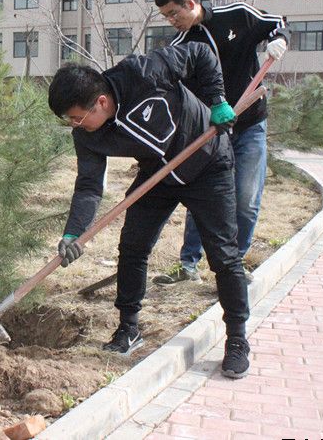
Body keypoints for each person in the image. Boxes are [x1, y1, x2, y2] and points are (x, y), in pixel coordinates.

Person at [50, 42, 251, 379]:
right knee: (133, 247)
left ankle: (237, 339)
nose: (75, 124)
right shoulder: (86, 136)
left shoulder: (143, 73)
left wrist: (217, 101)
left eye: (77, 117)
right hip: (157, 175)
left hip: (208, 162)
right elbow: (88, 186)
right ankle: (129, 327)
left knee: (223, 255)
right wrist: (74, 232)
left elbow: (200, 53)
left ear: (100, 102)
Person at [152, 0, 289, 285]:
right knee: (204, 197)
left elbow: (276, 23)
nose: (171, 21)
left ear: (190, 4)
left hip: (250, 124)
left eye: (173, 13)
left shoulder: (236, 15)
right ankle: (188, 265)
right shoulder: (180, 46)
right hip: (212, 133)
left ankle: (233, 267)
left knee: (246, 198)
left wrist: (279, 39)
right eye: (166, 17)